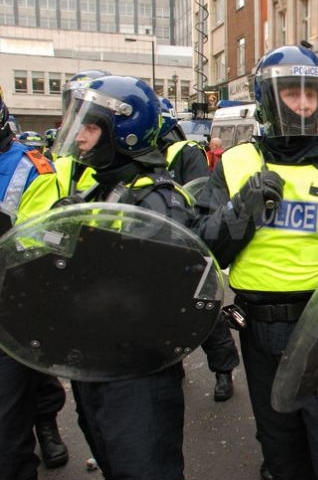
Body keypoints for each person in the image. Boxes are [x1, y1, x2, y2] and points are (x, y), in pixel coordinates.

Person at [195, 45, 318, 480]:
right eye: (292, 93)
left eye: (311, 94)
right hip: (257, 329)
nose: (304, 104)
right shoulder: (236, 164)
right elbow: (206, 248)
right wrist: (245, 208)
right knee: (280, 451)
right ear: (267, 99)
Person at [52, 75, 193, 479]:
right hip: (94, 364)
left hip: (137, 373)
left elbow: (159, 293)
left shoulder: (157, 199)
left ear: (125, 133)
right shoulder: (101, 191)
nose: (78, 137)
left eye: (91, 126)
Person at [0, 84, 68, 480]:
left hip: (17, 295)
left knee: (30, 375)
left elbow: (41, 236)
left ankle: (46, 422)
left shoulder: (33, 166)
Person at [157, 97, 241, 402]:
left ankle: (223, 370)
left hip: (185, 244)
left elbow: (198, 197)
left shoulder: (185, 152)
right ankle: (172, 364)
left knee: (205, 315)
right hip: (153, 249)